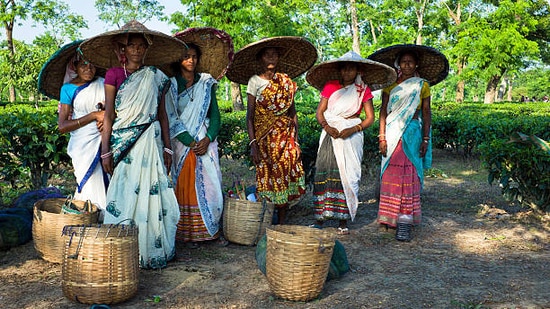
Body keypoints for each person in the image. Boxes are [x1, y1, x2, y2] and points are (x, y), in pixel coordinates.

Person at [79, 21, 186, 269]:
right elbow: (109, 115)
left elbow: (162, 115)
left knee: (152, 191)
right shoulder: (113, 75)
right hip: (124, 142)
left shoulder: (155, 76)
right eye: (131, 46)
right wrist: (105, 150)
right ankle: (124, 248)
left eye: (141, 46)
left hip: (151, 140)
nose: (137, 50)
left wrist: (168, 147)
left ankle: (152, 248)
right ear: (123, 50)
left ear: (146, 50)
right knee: (125, 191)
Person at [226, 37, 318, 224]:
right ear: (260, 58)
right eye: (267, 55)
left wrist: (296, 141)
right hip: (264, 140)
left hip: (285, 140)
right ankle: (266, 220)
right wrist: (253, 145)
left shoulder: (285, 82)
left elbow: (292, 114)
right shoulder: (254, 82)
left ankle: (282, 222)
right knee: (267, 179)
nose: (271, 58)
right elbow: (250, 116)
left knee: (284, 178)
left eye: (274, 55)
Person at [305, 51, 396, 235]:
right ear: (339, 70)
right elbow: (320, 111)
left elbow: (369, 118)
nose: (347, 72)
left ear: (357, 70)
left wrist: (352, 130)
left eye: (351, 68)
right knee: (325, 171)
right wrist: (327, 126)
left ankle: (343, 219)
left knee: (348, 174)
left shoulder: (363, 89)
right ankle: (321, 217)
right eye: (344, 68)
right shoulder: (330, 86)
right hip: (330, 135)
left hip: (351, 135)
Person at [368, 44, 449, 240]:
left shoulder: (422, 85)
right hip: (392, 132)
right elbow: (383, 111)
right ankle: (389, 217)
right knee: (392, 172)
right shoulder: (390, 84)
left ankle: (405, 219)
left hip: (413, 133)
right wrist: (382, 136)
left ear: (416, 64)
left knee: (409, 172)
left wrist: (426, 139)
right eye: (403, 62)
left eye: (410, 62)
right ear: (398, 64)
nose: (407, 65)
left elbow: (427, 112)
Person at [166, 27, 233, 248]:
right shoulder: (171, 84)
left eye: (194, 57)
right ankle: (183, 232)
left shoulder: (206, 82)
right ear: (179, 59)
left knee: (209, 183)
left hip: (205, 140)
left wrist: (209, 137)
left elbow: (215, 115)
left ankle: (207, 229)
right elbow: (171, 117)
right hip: (181, 142)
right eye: (186, 56)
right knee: (182, 183)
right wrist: (190, 142)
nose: (191, 60)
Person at [37, 40, 107, 218]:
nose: (88, 69)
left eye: (92, 65)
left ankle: (104, 220)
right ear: (74, 66)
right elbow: (63, 126)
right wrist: (93, 116)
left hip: (104, 140)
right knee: (89, 183)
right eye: (84, 64)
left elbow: (113, 109)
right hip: (82, 146)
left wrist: (105, 116)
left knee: (107, 181)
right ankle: (90, 219)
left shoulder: (103, 83)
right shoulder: (67, 89)